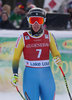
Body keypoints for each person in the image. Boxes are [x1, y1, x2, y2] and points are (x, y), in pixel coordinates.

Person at [11, 7, 63, 100]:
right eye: (33, 20)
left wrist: (57, 59)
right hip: (30, 77)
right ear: (28, 21)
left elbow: (56, 54)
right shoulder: (23, 37)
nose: (36, 24)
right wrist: (15, 74)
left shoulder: (49, 36)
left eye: (39, 20)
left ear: (43, 21)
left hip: (47, 77)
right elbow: (16, 58)